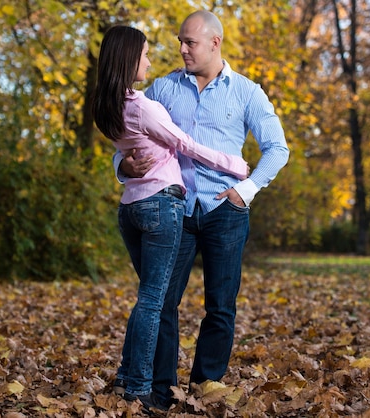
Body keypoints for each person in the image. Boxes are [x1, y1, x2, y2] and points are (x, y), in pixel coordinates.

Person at [114, 10, 290, 408]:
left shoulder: (247, 92)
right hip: (171, 210)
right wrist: (123, 167)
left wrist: (245, 190)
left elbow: (277, 149)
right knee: (162, 302)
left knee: (220, 307)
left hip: (224, 211)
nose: (181, 49)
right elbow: (128, 139)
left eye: (189, 42)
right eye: (180, 41)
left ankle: (204, 389)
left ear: (215, 43)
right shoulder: (161, 88)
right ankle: (159, 392)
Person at [91, 25, 249, 413]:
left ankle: (130, 376)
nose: (152, 59)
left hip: (131, 209)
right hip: (161, 206)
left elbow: (132, 146)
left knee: (153, 300)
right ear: (129, 59)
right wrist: (235, 165)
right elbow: (185, 145)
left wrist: (126, 164)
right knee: (154, 301)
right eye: (144, 54)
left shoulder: (107, 106)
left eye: (186, 42)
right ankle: (142, 388)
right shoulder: (147, 102)